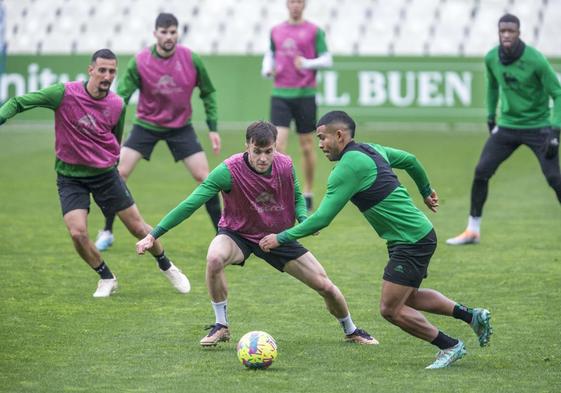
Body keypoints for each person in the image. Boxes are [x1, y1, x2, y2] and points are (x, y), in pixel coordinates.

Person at [259, 111, 493, 369]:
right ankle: (472, 317)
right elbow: (411, 160)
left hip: (411, 239)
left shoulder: (347, 168)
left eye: (323, 138)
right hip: (413, 235)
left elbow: (323, 218)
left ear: (339, 135)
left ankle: (450, 345)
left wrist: (280, 238)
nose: (320, 144)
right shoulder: (372, 149)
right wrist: (425, 191)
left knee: (390, 309)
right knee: (409, 297)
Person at [136, 121, 377, 347]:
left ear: (275, 147)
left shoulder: (285, 164)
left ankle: (351, 330)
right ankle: (221, 325)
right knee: (214, 257)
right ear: (247, 146)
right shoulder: (228, 170)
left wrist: (303, 221)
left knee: (325, 286)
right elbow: (190, 203)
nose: (263, 158)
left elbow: (296, 197)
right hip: (238, 234)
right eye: (257, 151)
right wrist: (153, 235)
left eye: (268, 151)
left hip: (278, 236)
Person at [0, 49, 190, 297]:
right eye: (102, 70)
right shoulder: (63, 93)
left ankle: (166, 265)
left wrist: (109, 161)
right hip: (70, 177)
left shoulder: (117, 104)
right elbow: (17, 102)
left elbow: (115, 137)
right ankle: (106, 277)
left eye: (112, 71)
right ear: (90, 70)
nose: (107, 75)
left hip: (104, 175)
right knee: (78, 233)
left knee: (138, 228)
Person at [95, 12, 222, 251]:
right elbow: (120, 97)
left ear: (178, 33)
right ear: (155, 34)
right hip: (146, 125)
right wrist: (108, 129)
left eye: (172, 32)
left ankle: (222, 235)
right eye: (164, 32)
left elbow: (208, 92)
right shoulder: (141, 60)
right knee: (118, 173)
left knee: (206, 178)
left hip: (180, 127)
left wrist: (213, 128)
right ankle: (107, 231)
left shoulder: (191, 59)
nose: (168, 37)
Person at [447, 14, 561, 246]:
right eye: (503, 31)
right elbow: (492, 88)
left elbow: (558, 94)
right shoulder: (491, 58)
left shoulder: (536, 60)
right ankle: (472, 230)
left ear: (519, 33)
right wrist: (491, 117)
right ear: (499, 33)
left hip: (538, 128)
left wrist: (555, 131)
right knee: (481, 171)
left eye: (511, 31)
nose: (507, 35)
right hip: (507, 126)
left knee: (554, 178)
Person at [261, 0, 333, 212]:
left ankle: (308, 191)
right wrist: (267, 69)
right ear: (287, 4)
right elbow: (270, 54)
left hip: (305, 94)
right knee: (278, 145)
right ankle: (281, 191)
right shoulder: (276, 30)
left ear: (304, 4)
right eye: (292, 1)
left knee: (307, 144)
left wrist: (307, 63)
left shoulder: (314, 31)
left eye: (299, 1)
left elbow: (327, 59)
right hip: (281, 94)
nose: (295, 5)